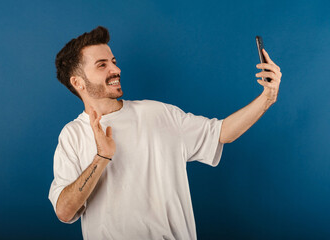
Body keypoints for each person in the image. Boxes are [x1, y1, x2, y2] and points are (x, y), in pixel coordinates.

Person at [48, 26, 282, 240]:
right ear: (78, 82)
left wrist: (267, 98)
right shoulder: (72, 136)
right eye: (102, 65)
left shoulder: (158, 114)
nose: (116, 69)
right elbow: (65, 212)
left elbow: (222, 132)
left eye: (114, 61)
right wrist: (101, 158)